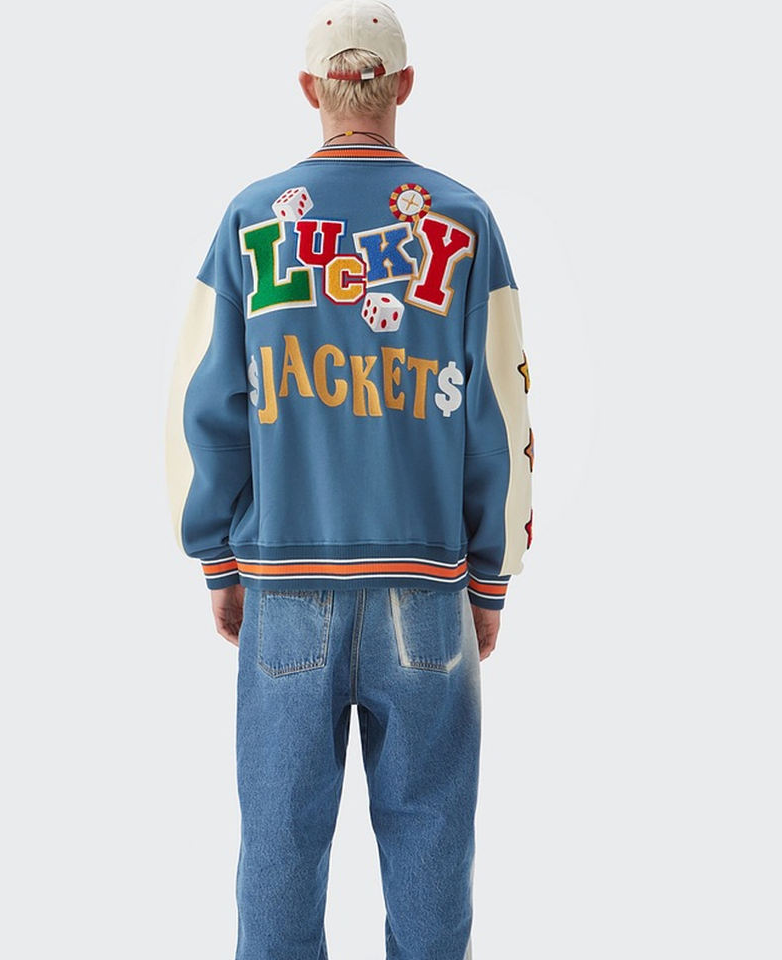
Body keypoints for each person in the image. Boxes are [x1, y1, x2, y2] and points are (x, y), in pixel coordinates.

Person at [164, 1, 534, 956]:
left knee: (279, 852)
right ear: (404, 84)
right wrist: (489, 577)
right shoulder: (464, 222)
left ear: (309, 89)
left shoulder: (251, 221)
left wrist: (217, 558)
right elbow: (500, 408)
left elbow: (206, 407)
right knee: (432, 848)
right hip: (426, 587)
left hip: (286, 583)